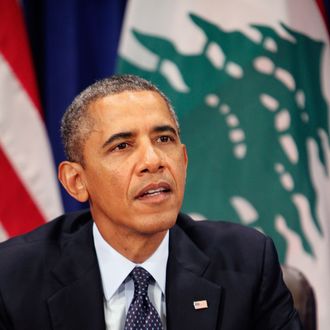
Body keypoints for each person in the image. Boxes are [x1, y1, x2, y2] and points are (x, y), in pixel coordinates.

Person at [0, 74, 301, 330]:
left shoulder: (247, 262)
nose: (153, 161)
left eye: (164, 139)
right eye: (122, 146)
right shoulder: (13, 278)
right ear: (77, 181)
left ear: (183, 160)